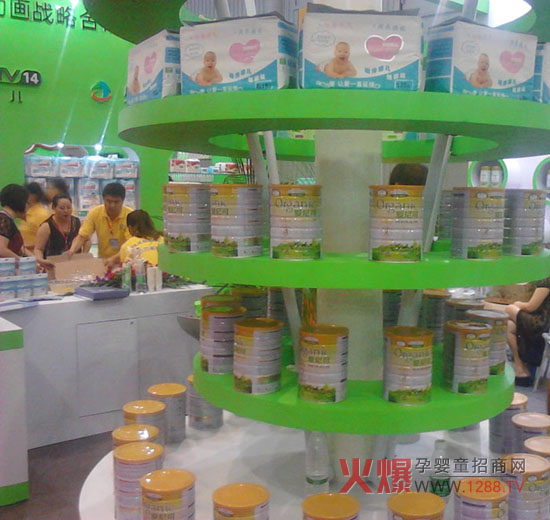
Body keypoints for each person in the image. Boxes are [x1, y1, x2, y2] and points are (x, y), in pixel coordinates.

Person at [67, 182, 132, 267]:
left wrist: (113, 259)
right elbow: (82, 236)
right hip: (104, 262)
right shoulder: (95, 212)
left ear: (123, 201)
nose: (112, 205)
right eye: (108, 201)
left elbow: (130, 245)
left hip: (126, 263)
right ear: (103, 199)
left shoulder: (131, 215)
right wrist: (72, 250)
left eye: (116, 202)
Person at [505, 278, 550, 388]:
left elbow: (531, 306)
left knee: (510, 308)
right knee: (509, 326)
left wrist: (517, 304)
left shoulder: (546, 281)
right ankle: (520, 369)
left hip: (541, 324)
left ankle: (520, 367)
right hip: (544, 324)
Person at [34, 194, 81, 266]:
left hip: (75, 263)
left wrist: (84, 254)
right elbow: (38, 249)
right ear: (53, 208)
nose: (66, 211)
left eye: (69, 208)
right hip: (53, 264)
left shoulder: (77, 222)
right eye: (62, 208)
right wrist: (41, 261)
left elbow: (87, 240)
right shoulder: (46, 226)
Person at [0, 184, 32, 258]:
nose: (28, 206)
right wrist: (22, 261)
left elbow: (20, 248)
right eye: (27, 202)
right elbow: (1, 249)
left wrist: (35, 260)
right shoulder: (4, 220)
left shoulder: (6, 219)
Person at [19, 182, 51, 251]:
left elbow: (47, 238)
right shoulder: (27, 212)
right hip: (24, 253)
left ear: (33, 196)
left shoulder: (42, 214)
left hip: (35, 254)